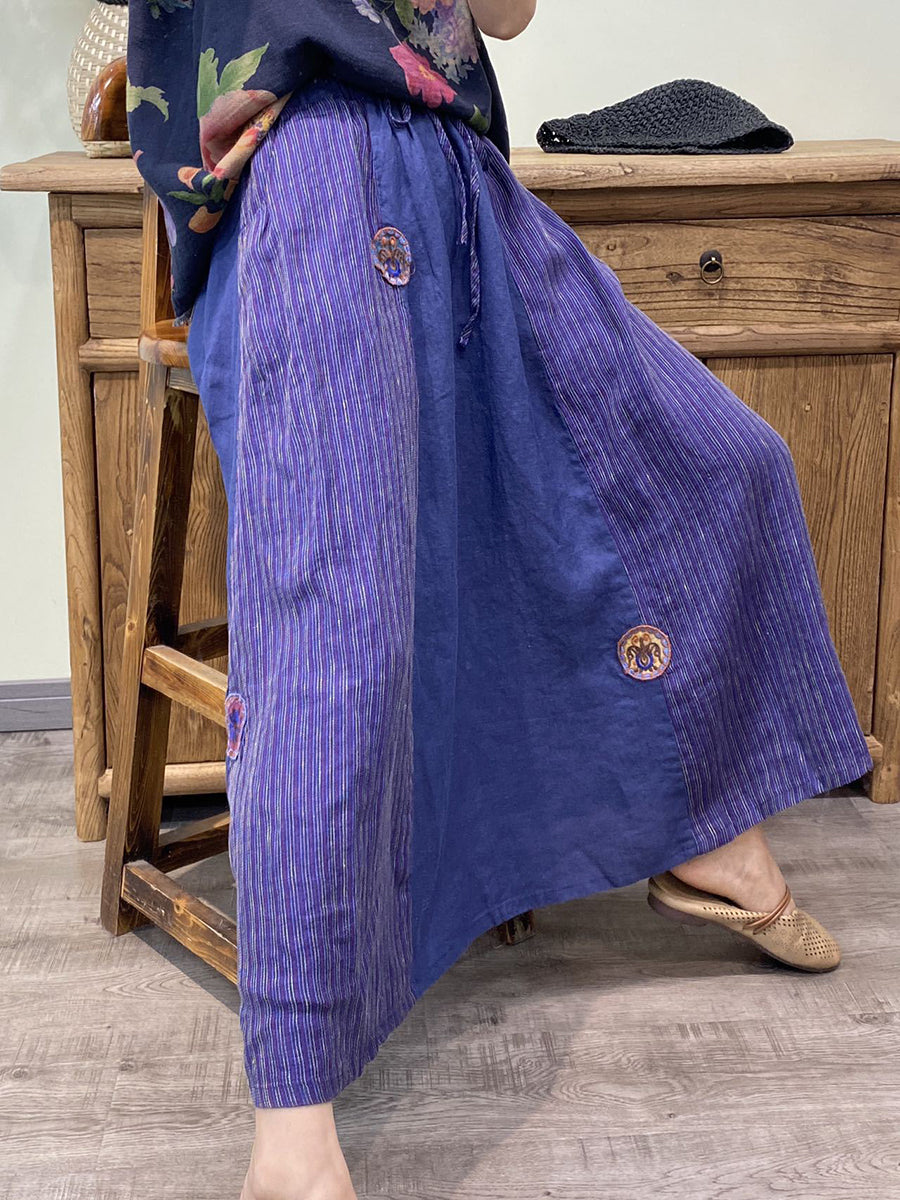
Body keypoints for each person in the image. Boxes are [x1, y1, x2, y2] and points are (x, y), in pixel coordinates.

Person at [125, 2, 873, 1197]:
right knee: (340, 631)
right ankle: (292, 1130)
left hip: (466, 181)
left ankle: (708, 831)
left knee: (727, 463)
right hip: (308, 166)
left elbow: (508, 15)